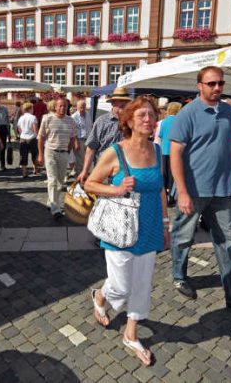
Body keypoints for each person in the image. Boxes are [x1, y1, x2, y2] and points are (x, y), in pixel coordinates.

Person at [169, 66, 231, 318]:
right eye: (211, 83)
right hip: (194, 190)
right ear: (199, 85)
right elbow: (175, 153)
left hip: (223, 189)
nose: (217, 88)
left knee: (227, 242)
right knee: (184, 236)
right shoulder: (187, 113)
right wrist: (181, 191)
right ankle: (179, 276)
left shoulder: (227, 111)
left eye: (220, 83)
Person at [84, 97, 169, 367]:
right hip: (121, 228)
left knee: (143, 282)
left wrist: (166, 226)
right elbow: (90, 184)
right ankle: (101, 295)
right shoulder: (115, 152)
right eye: (142, 115)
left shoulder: (157, 151)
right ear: (129, 121)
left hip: (151, 224)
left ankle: (131, 333)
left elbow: (160, 190)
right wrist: (118, 189)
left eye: (152, 115)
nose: (149, 119)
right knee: (120, 287)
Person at [77, 87, 133, 183]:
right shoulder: (101, 122)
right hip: (104, 171)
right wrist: (85, 171)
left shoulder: (132, 122)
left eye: (125, 102)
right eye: (121, 103)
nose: (124, 106)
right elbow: (91, 148)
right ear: (113, 103)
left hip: (126, 171)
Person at [37, 98, 76, 219]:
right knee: (52, 180)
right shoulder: (47, 118)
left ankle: (50, 201)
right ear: (55, 107)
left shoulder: (71, 121)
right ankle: (55, 208)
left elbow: (73, 138)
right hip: (50, 152)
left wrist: (67, 152)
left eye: (65, 106)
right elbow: (41, 138)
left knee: (60, 182)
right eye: (60, 106)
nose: (62, 108)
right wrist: (40, 154)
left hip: (63, 153)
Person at [156, 102, 182, 206]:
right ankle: (171, 197)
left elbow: (160, 135)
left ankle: (164, 197)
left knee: (164, 175)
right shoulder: (179, 121)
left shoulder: (164, 121)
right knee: (173, 175)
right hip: (175, 152)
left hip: (164, 151)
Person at [70, 99, 93, 178]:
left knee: (87, 158)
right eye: (80, 107)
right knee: (80, 160)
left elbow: (90, 127)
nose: (82, 109)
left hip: (88, 139)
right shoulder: (74, 117)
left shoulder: (88, 114)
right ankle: (80, 177)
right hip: (79, 140)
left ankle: (84, 174)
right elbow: (73, 130)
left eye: (83, 107)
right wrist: (76, 142)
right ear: (77, 107)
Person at [16, 102, 39, 178]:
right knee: (35, 154)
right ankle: (35, 169)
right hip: (32, 138)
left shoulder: (21, 118)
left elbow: (19, 128)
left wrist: (22, 133)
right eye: (32, 108)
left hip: (23, 138)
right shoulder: (33, 117)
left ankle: (24, 172)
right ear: (30, 109)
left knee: (23, 155)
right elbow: (35, 129)